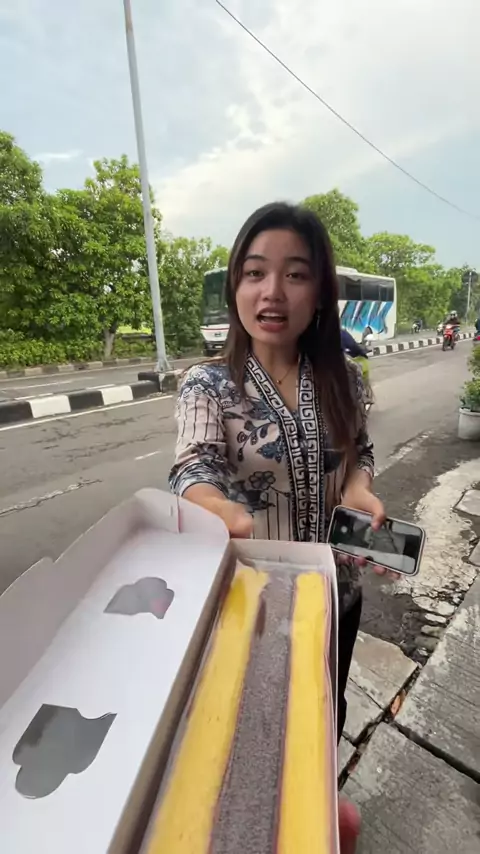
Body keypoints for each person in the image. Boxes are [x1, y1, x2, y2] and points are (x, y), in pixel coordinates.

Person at [170, 202, 388, 850]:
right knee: (250, 723)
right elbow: (192, 466)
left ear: (319, 292)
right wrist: (218, 507)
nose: (272, 292)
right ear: (236, 285)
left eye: (295, 274)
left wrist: (358, 488)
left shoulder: (345, 379)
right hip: (252, 605)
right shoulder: (208, 385)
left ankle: (312, 807)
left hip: (337, 594)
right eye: (255, 272)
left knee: (324, 707)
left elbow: (360, 452)